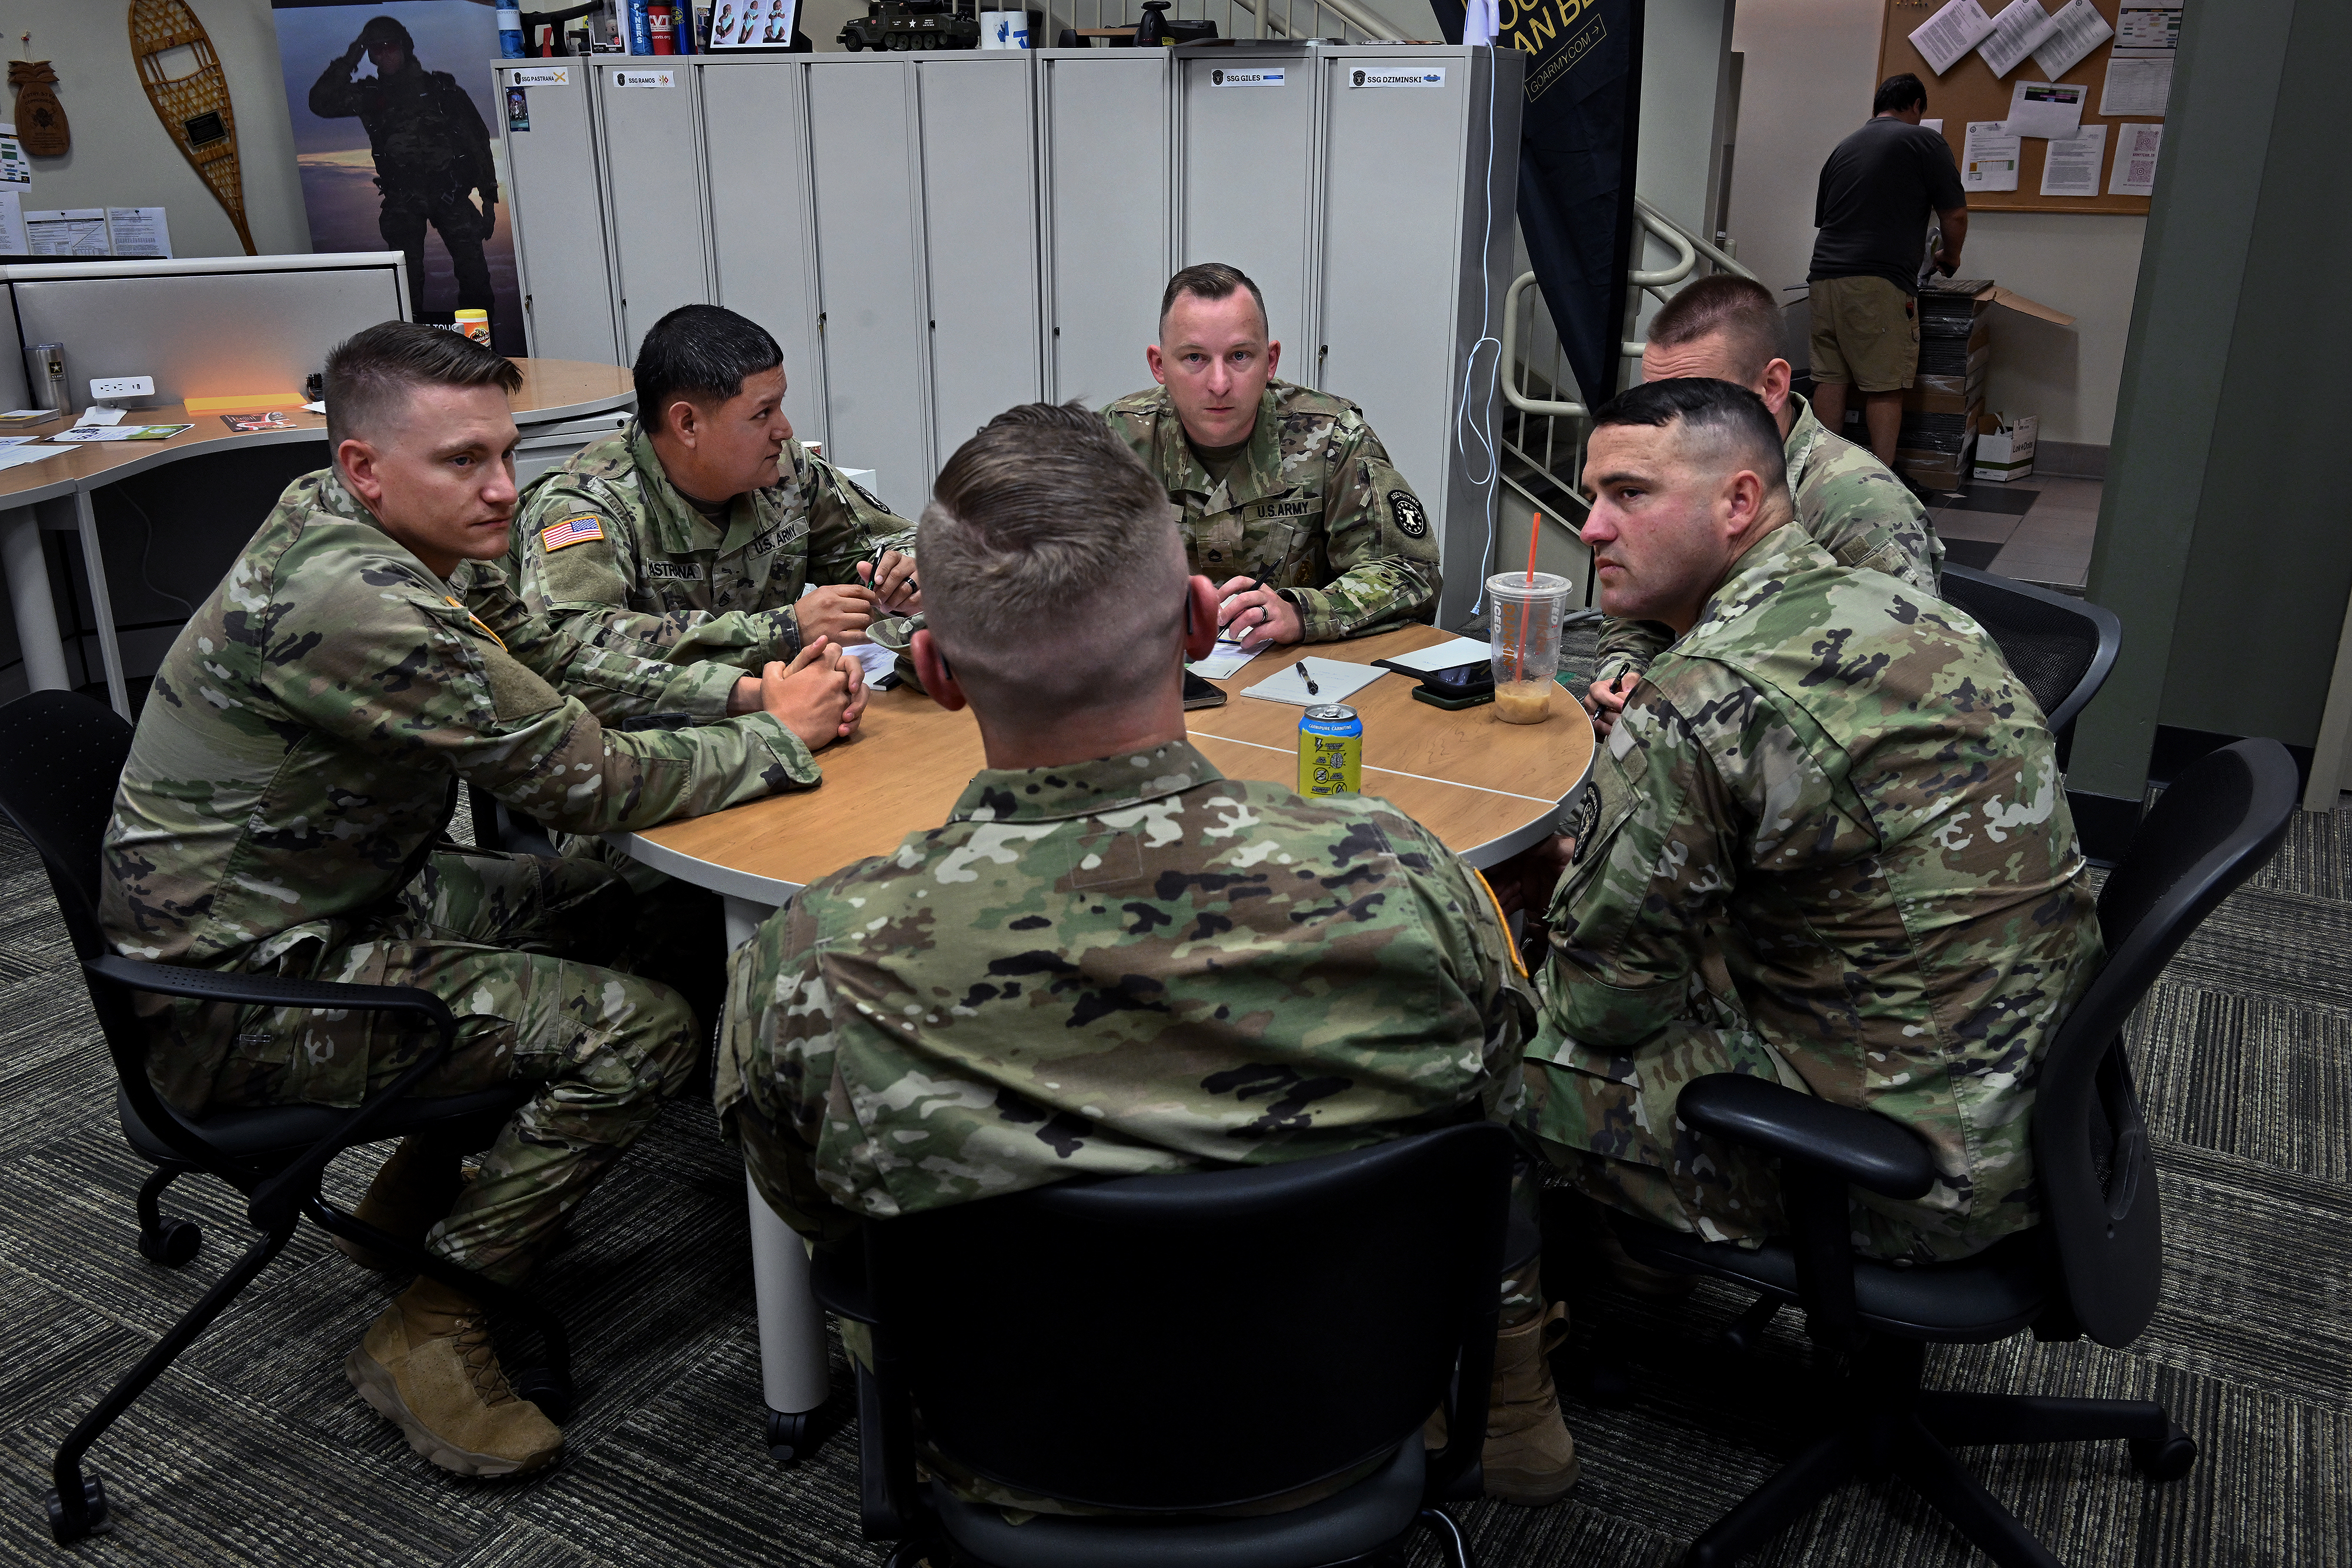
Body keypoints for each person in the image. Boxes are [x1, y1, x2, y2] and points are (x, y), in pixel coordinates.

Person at [718, 402, 1578, 1508]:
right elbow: (1492, 1118)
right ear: (1198, 619)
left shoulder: (812, 962)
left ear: (934, 670)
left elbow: (818, 1205)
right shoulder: (1412, 882)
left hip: (1011, 1452)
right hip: (1345, 1423)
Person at [99, 322, 868, 1480]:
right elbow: (591, 777)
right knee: (641, 1029)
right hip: (237, 991)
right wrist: (775, 737)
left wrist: (745, 686)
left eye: (505, 452)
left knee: (646, 911)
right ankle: (433, 1316)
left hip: (337, 892)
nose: (503, 488)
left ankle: (420, 1187)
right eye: (463, 460)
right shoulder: (359, 603)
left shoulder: (385, 528)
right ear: (366, 466)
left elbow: (556, 656)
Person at [1500, 377, 2101, 1266]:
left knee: (1473, 1043)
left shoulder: (1704, 694)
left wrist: (1529, 914)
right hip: (2028, 1110)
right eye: (1593, 495)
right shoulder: (1902, 608)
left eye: (1629, 494)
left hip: (1911, 1172)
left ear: (1739, 501)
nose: (1591, 528)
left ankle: (1514, 1379)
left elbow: (1604, 1005)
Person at [1589, 272, 1945, 734]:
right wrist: (1624, 677)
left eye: (1696, 399)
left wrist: (1697, 712)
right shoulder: (1670, 477)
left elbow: (1905, 690)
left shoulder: (1858, 504)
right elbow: (1642, 605)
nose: (1665, 425)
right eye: (1652, 400)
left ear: (1772, 386)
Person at [512, 303, 918, 670]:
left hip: (776, 716)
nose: (786, 429)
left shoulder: (787, 470)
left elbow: (893, 544)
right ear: (687, 424)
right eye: (763, 413)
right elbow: (570, 642)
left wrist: (907, 576)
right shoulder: (586, 504)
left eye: (780, 405)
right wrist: (781, 630)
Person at [1102, 263, 1439, 645]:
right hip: (1152, 673)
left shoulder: (1332, 438)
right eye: (1195, 357)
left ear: (1271, 360)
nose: (1219, 384)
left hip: (1296, 679)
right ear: (1159, 365)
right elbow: (1043, 568)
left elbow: (1413, 572)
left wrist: (1303, 612)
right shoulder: (1113, 443)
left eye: (1240, 356)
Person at [1806, 72, 1967, 466]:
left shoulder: (1843, 148)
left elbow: (1827, 218)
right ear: (1915, 106)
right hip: (1876, 283)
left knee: (1830, 378)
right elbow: (1956, 214)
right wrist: (1951, 256)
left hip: (1823, 278)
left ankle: (1824, 479)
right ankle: (1884, 486)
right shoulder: (1924, 140)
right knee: (1885, 385)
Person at [309, 16, 499, 329]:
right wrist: (351, 56)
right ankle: (411, 351)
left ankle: (479, 347)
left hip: (449, 193)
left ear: (405, 47)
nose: (384, 56)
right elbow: (320, 103)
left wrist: (488, 199)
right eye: (375, 50)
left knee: (475, 277)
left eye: (390, 47)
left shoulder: (442, 90)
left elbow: (476, 140)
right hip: (403, 198)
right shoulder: (369, 95)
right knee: (405, 283)